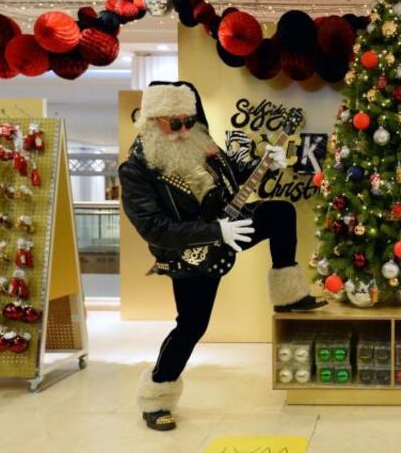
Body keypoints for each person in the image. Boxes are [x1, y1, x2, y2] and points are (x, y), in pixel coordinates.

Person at [119, 81, 326, 431]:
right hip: (189, 252)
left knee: (279, 213)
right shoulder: (137, 170)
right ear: (152, 121)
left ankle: (289, 295)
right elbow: (155, 228)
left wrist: (268, 164)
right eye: (177, 123)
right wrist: (217, 232)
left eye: (189, 121)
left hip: (227, 225)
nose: (186, 130)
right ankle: (156, 398)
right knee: (192, 326)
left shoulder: (202, 142)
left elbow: (233, 180)